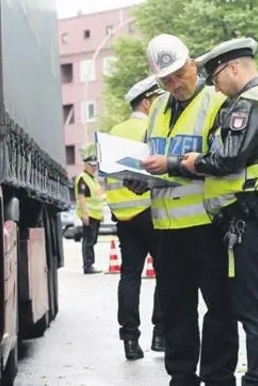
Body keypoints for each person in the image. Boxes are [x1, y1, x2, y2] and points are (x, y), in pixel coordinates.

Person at [181, 37, 258, 386]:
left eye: (217, 77)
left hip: (253, 220)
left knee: (255, 311)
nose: (216, 87)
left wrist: (195, 162)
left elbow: (229, 158)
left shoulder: (247, 104)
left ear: (234, 68)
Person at [130, 33, 239, 386]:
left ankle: (218, 377)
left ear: (193, 64)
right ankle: (182, 377)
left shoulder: (217, 101)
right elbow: (153, 158)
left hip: (208, 224)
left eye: (180, 74)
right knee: (176, 310)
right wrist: (139, 179)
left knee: (220, 307)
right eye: (167, 79)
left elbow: (221, 160)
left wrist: (172, 164)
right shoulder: (159, 107)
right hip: (167, 228)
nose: (176, 84)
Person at [105, 75, 166, 360]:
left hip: (124, 216)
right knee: (165, 273)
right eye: (156, 99)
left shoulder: (115, 130)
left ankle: (130, 340)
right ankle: (160, 333)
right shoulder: (153, 127)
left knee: (130, 276)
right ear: (146, 102)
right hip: (150, 212)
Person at [75, 150, 105, 274]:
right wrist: (84, 214)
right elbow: (81, 198)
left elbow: (97, 198)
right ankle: (88, 266)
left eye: (95, 166)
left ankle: (90, 264)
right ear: (85, 165)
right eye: (91, 165)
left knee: (92, 241)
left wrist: (101, 214)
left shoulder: (93, 179)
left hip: (96, 215)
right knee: (88, 241)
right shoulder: (83, 178)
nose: (94, 168)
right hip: (89, 215)